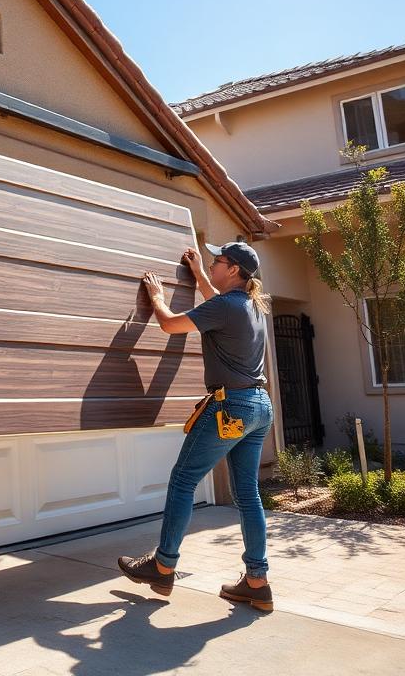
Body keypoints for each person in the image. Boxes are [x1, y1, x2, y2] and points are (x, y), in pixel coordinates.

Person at [118, 241, 275, 612]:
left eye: (217, 261)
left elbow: (171, 325)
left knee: (183, 481)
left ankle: (162, 566)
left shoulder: (225, 306)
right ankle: (257, 582)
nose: (213, 264)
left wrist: (156, 297)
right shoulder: (250, 306)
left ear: (233, 270)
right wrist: (201, 274)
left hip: (229, 407)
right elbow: (214, 302)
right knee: (248, 494)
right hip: (259, 406)